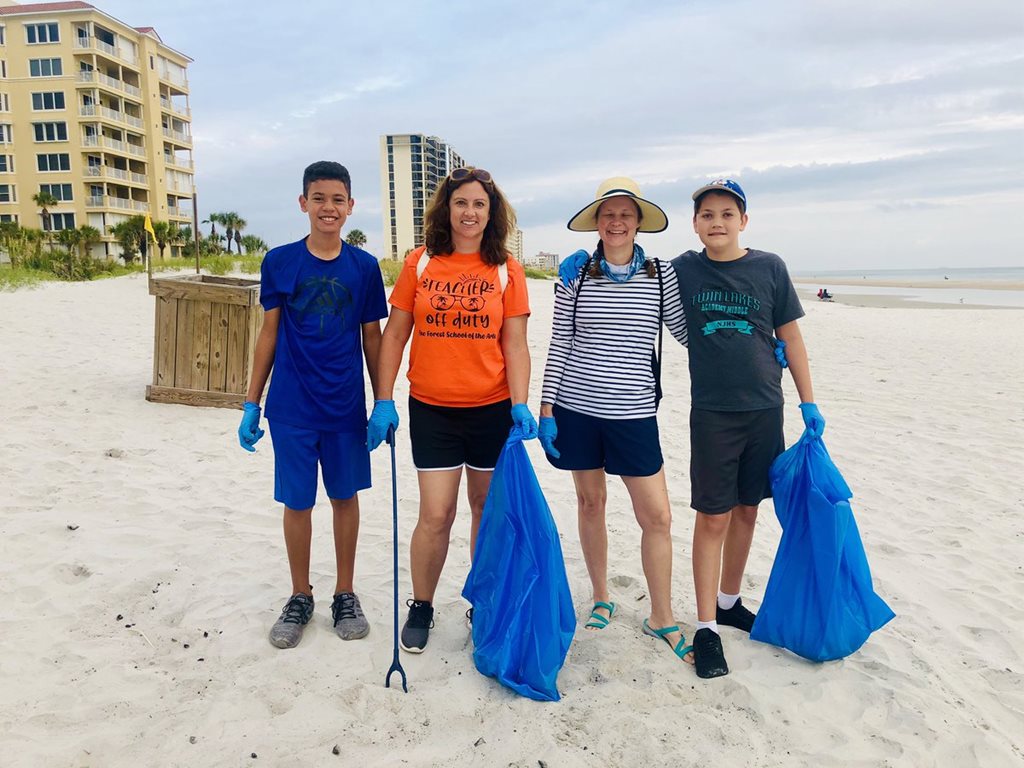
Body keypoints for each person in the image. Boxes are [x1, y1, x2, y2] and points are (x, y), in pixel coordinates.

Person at [367, 167, 535, 654]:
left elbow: (516, 344)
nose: (470, 212)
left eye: (479, 205)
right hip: (432, 410)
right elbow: (396, 334)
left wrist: (520, 403)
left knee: (485, 509)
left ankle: (481, 601)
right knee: (436, 514)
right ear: (447, 208)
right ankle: (421, 605)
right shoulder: (420, 263)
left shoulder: (507, 269)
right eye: (461, 203)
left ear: (492, 213)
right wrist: (383, 398)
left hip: (491, 409)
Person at [671, 178, 824, 679]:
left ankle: (730, 600)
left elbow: (792, 336)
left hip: (765, 409)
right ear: (695, 224)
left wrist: (808, 402)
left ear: (743, 220)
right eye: (707, 215)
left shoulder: (769, 267)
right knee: (712, 517)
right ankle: (706, 626)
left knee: (747, 511)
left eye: (726, 214)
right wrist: (581, 264)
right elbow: (630, 272)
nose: (716, 222)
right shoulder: (682, 271)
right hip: (712, 413)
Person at [538, 177, 693, 665]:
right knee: (590, 502)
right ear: (597, 222)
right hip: (577, 409)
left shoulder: (661, 275)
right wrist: (546, 408)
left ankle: (662, 615)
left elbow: (688, 334)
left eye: (626, 213)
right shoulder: (576, 275)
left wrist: (749, 341)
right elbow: (560, 340)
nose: (617, 221)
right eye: (608, 213)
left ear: (639, 221)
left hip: (634, 414)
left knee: (658, 516)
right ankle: (601, 594)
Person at [237, 161, 388, 649]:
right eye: (318, 198)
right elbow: (269, 332)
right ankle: (300, 594)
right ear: (304, 203)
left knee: (345, 498)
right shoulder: (279, 262)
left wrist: (382, 400)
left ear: (350, 206)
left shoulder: (364, 268)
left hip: (345, 407)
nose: (328, 207)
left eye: (337, 199)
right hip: (291, 408)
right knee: (297, 502)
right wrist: (251, 402)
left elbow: (373, 337)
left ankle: (345, 591)